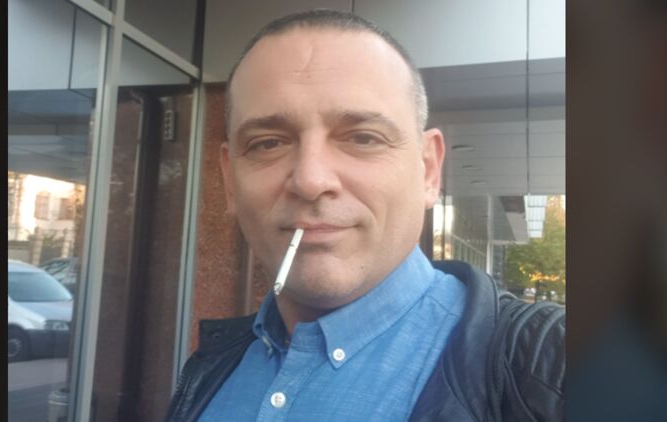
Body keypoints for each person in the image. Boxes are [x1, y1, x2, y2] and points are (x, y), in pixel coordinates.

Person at [166, 9, 564, 422]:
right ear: (229, 181)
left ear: (428, 170)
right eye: (268, 143)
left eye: (363, 138)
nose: (310, 180)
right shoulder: (210, 369)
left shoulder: (552, 371)